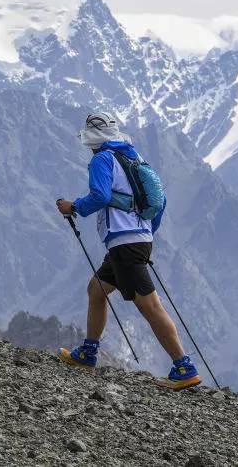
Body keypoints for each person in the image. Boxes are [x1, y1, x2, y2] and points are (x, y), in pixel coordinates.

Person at [55, 112, 200, 390]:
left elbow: (100, 196)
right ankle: (88, 352)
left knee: (150, 305)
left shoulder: (101, 159)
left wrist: (73, 207)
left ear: (91, 139)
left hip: (124, 242)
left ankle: (184, 366)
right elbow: (159, 200)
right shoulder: (133, 158)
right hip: (138, 238)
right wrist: (145, 234)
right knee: (96, 290)